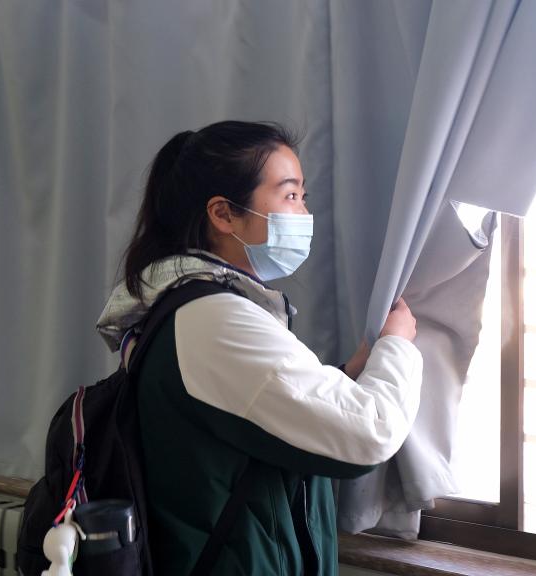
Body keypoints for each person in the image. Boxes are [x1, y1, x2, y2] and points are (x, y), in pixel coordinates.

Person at [95, 120, 422, 575]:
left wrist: (347, 374)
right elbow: (370, 434)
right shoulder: (213, 318)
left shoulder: (191, 305)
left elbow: (257, 411)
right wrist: (399, 346)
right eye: (290, 195)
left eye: (303, 196)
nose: (303, 212)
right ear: (224, 214)